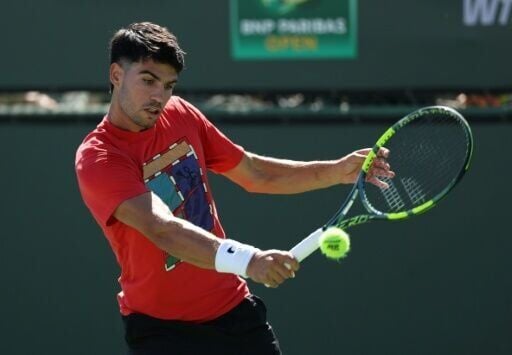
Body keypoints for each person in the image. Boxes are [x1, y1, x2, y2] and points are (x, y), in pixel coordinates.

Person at [75, 22, 394, 355]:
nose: (159, 96)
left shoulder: (180, 113)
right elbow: (161, 228)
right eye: (147, 80)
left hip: (234, 315)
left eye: (169, 85)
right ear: (116, 75)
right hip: (161, 333)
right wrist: (249, 259)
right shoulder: (99, 159)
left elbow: (253, 172)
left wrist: (335, 170)